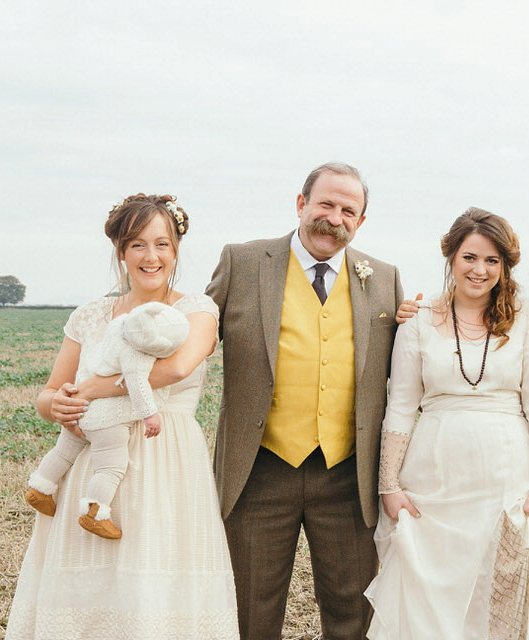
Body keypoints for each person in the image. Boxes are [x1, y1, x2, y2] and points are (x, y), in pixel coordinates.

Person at [7, 194, 238, 639]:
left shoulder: (198, 310)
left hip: (164, 456)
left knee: (156, 575)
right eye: (137, 245)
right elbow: (50, 391)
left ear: (176, 249)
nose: (151, 257)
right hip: (93, 460)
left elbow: (175, 369)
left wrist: (94, 388)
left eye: (162, 244)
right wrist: (55, 404)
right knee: (94, 582)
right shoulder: (91, 315)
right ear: (120, 251)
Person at [206, 162, 403, 640]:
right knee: (249, 610)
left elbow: (410, 368)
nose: (334, 218)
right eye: (326, 204)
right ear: (301, 204)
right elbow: (188, 339)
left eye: (348, 211)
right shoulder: (243, 262)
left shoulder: (383, 277)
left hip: (346, 475)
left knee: (353, 612)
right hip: (258, 470)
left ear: (360, 222)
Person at [366, 208, 529, 639]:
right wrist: (389, 486)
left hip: (507, 480)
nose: (480, 270)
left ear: (505, 266)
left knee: (500, 597)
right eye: (470, 258)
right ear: (451, 257)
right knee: (429, 603)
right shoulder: (418, 320)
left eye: (492, 261)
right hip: (432, 482)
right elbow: (400, 407)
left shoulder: (525, 318)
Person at [25, 301, 190, 539]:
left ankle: (40, 488)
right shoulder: (138, 353)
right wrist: (150, 415)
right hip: (107, 419)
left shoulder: (117, 327)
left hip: (81, 406)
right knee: (110, 467)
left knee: (63, 452)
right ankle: (95, 512)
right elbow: (137, 384)